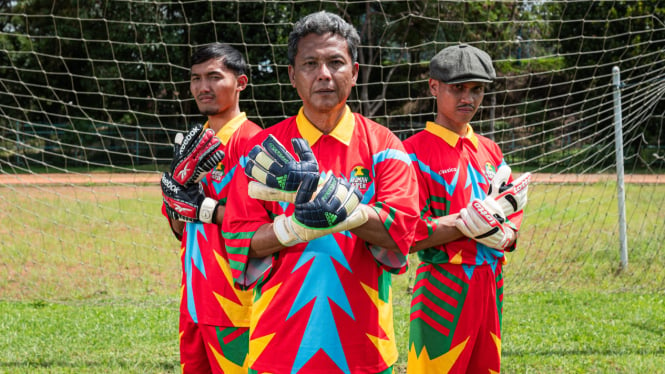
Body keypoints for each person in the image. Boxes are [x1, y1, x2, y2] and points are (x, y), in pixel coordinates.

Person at [221, 11, 420, 374]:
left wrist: (351, 213)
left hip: (365, 350)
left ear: (355, 72)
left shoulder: (384, 144)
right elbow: (238, 237)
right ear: (292, 76)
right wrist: (292, 229)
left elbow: (403, 229)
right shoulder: (263, 149)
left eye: (336, 62)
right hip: (277, 348)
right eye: (310, 63)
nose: (324, 74)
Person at [403, 44, 529, 373]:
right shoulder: (411, 153)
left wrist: (507, 235)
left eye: (476, 90)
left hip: (491, 285)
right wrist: (463, 222)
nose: (468, 98)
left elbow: (511, 212)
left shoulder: (490, 150)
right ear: (434, 87)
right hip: (443, 290)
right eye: (457, 88)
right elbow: (407, 233)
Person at [160, 42, 262, 373]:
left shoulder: (255, 143)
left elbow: (260, 228)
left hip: (237, 306)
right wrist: (176, 195)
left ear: (241, 83)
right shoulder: (191, 142)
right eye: (196, 78)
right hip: (192, 302)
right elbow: (178, 227)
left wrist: (202, 206)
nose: (203, 87)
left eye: (214, 77)